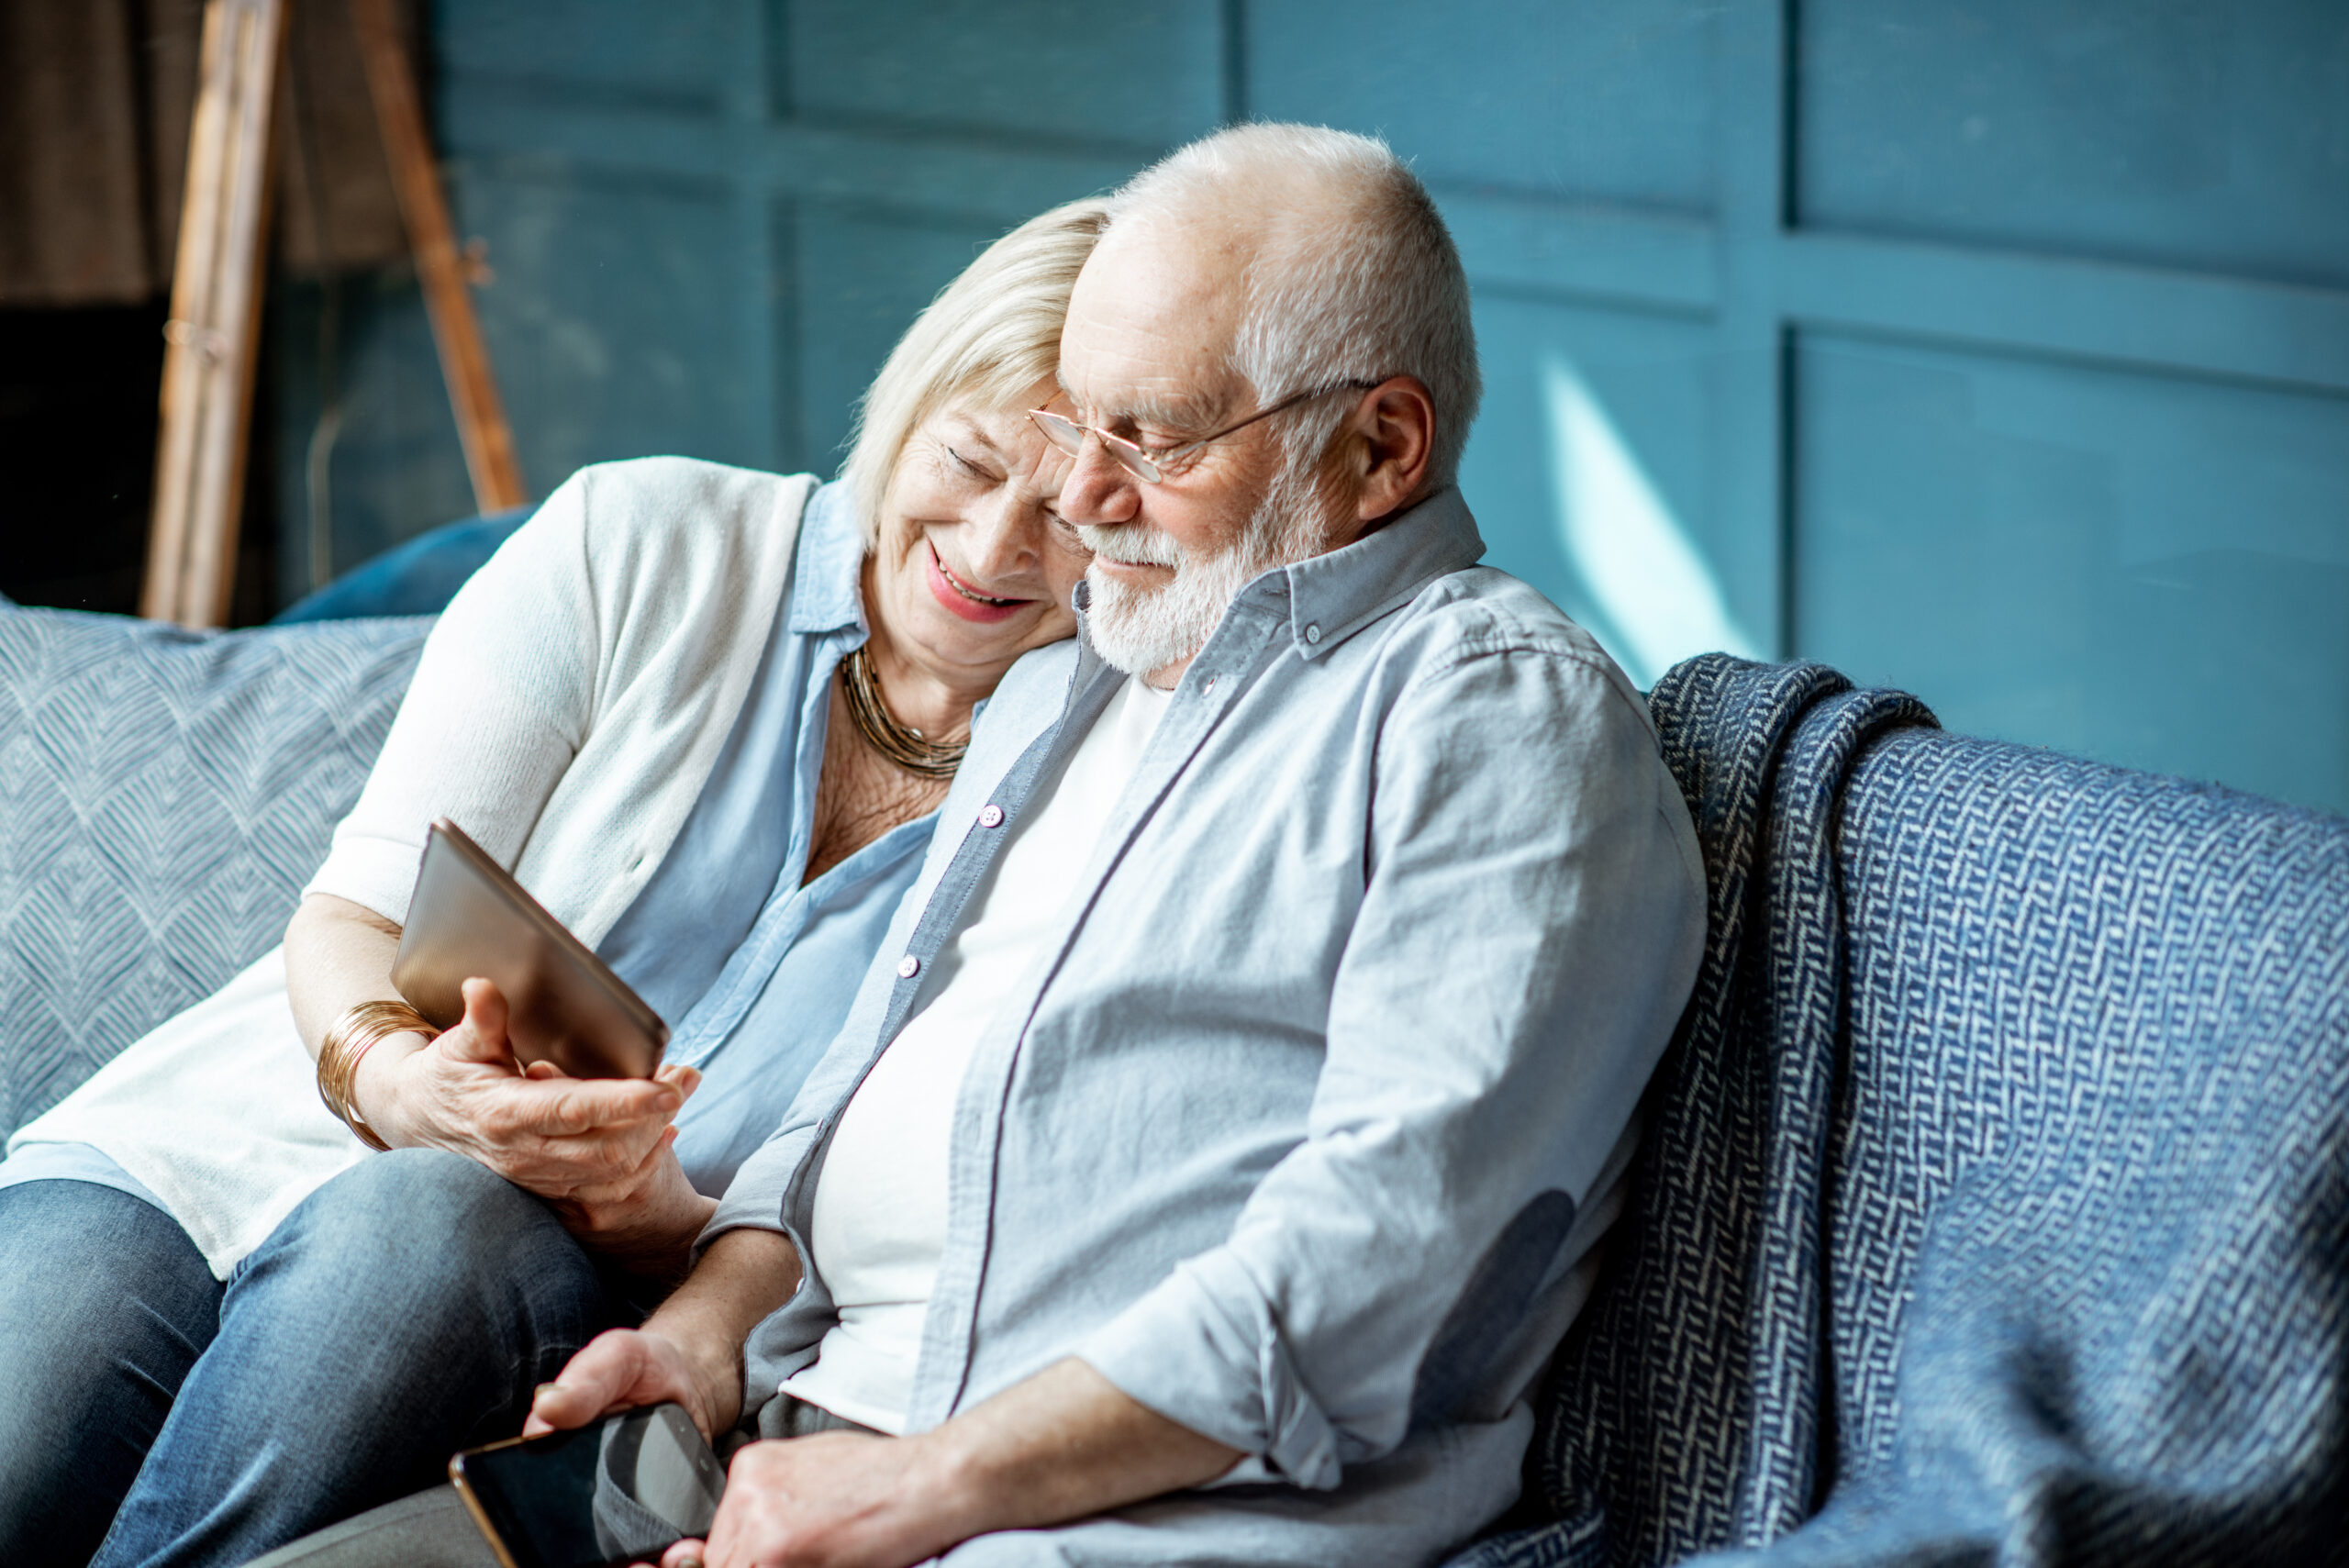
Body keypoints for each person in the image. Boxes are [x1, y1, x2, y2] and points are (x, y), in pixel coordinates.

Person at [501, 122, 1710, 1568]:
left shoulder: (1493, 716)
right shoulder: (1071, 679)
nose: (1079, 500)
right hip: (787, 1467)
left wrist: (921, 1490)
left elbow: (1377, 1269)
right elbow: (847, 1103)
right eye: (1084, 421)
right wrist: (700, 1348)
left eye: (1152, 436)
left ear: (1381, 446)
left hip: (1088, 1534)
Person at [0, 198, 1106, 1568]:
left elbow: (875, 1209)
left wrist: (664, 1232)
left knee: (423, 1215)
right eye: (973, 459)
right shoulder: (639, 536)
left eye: (1062, 512)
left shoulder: (1098, 775)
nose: (995, 546)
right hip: (223, 1142)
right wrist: (398, 1079)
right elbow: (356, 909)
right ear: (914, 397)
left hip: (526, 1272)